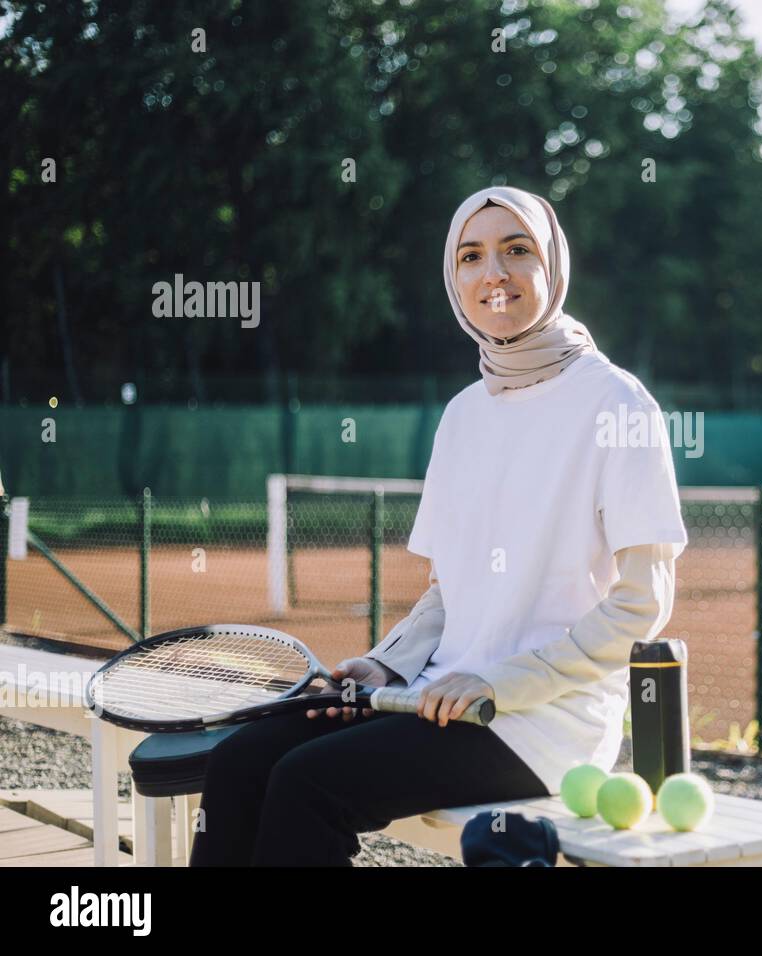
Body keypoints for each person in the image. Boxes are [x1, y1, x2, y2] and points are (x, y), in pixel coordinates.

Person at [189, 185, 689, 866]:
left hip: (542, 725)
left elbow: (642, 605)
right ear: (454, 280)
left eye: (518, 250)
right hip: (436, 698)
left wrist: (501, 682)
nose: (495, 273)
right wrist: (384, 662)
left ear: (554, 265)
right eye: (472, 256)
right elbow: (448, 591)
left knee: (309, 785)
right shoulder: (462, 415)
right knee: (239, 763)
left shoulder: (620, 402)